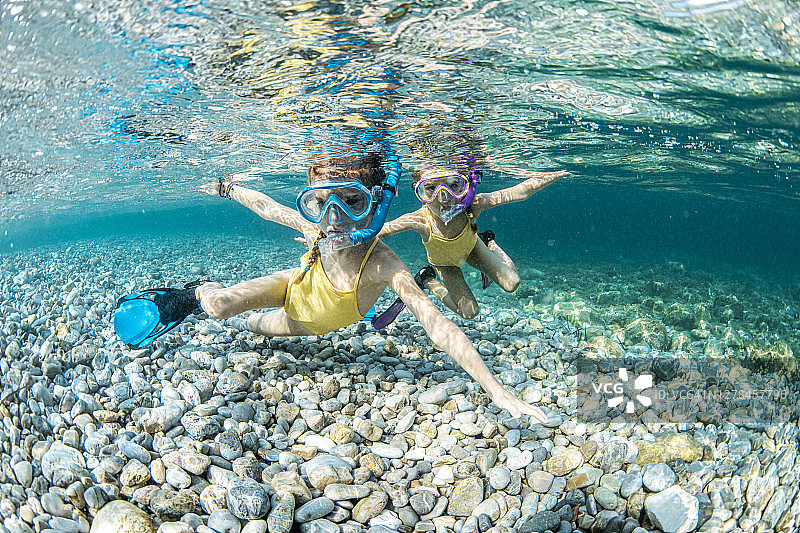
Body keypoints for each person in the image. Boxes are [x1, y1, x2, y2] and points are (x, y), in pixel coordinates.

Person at [190, 153, 547, 421]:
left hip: (306, 324)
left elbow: (438, 325)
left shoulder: (384, 264)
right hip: (292, 286)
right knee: (219, 305)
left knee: (254, 327)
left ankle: (223, 302)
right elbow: (269, 209)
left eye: (351, 201)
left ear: (374, 203)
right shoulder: (318, 229)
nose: (333, 218)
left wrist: (496, 390)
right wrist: (229, 188)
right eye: (321, 202)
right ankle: (199, 289)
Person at [377, 159, 567, 319]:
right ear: (419, 190)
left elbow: (520, 192)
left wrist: (557, 174)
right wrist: (351, 240)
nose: (443, 198)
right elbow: (381, 230)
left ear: (465, 186)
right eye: (430, 188)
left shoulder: (472, 205)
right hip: (444, 265)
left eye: (453, 185)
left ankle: (489, 242)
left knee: (512, 283)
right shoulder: (419, 219)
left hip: (473, 248)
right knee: (469, 313)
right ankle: (427, 280)